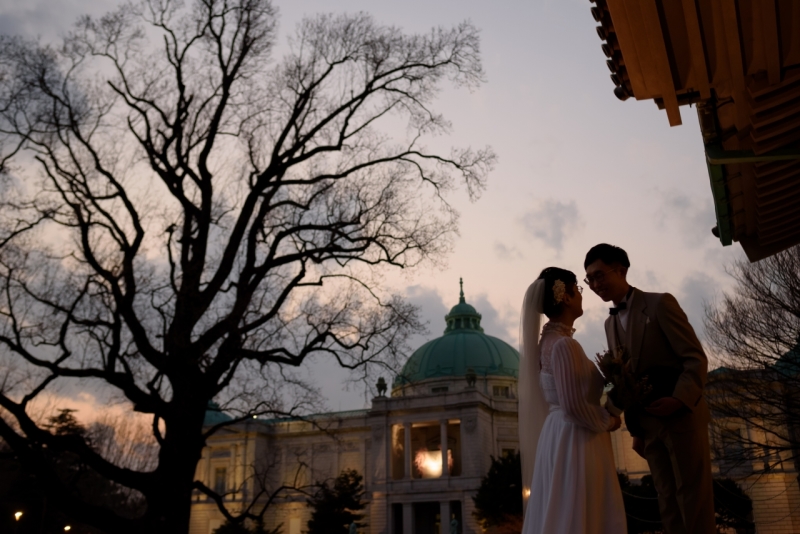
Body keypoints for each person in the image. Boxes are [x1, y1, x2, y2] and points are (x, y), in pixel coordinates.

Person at [584, 244, 715, 534]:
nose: (594, 285)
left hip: (683, 419)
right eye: (589, 279)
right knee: (667, 501)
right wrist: (637, 430)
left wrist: (679, 399)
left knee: (693, 499)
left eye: (599, 275)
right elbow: (625, 379)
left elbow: (694, 358)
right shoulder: (609, 323)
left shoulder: (660, 304)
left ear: (621, 270)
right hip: (647, 425)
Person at [519, 267, 626, 534]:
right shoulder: (563, 346)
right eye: (577, 289)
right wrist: (609, 420)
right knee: (579, 509)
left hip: (559, 435)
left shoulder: (548, 344)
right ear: (564, 297)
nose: (581, 294)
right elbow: (574, 406)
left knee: (564, 508)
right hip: (576, 437)